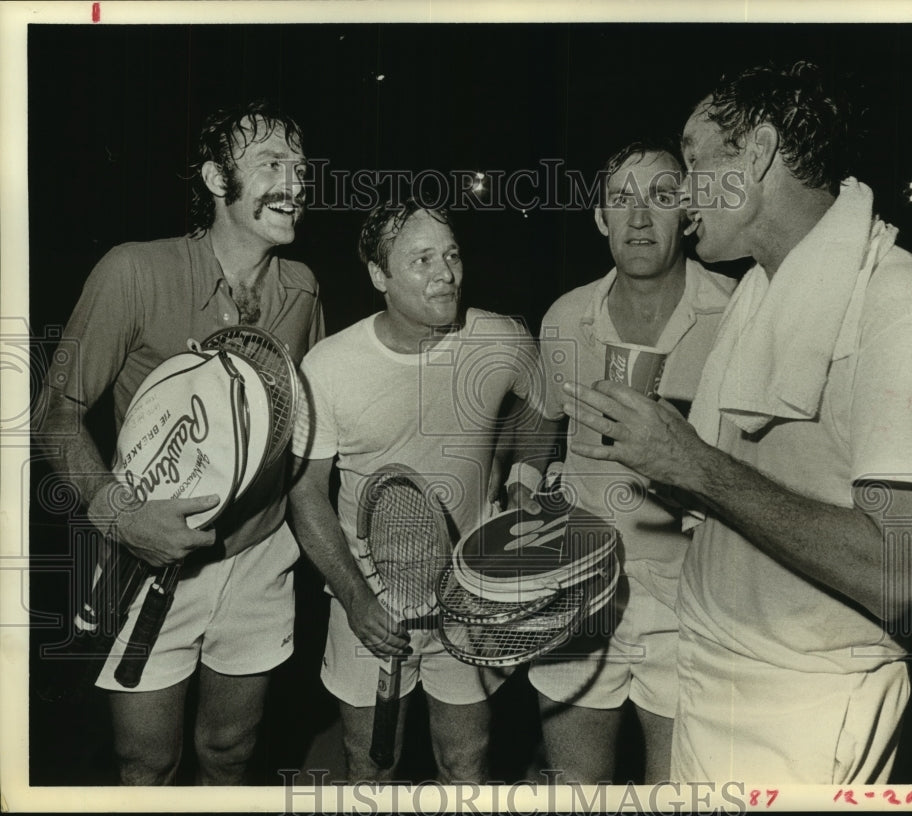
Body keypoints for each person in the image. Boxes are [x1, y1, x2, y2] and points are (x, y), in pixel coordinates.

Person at [563, 61, 912, 783]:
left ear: (755, 154)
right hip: (712, 673)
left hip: (804, 708)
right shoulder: (760, 290)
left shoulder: (903, 309)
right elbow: (753, 491)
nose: (682, 192)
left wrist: (692, 463)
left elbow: (897, 573)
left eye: (692, 159)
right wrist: (665, 465)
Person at [39, 100, 324, 784]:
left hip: (259, 556)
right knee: (147, 762)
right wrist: (123, 517)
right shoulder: (133, 272)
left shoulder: (303, 289)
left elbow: (306, 434)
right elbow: (55, 413)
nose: (297, 181)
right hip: (147, 561)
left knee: (230, 753)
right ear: (215, 180)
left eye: (300, 165)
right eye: (271, 165)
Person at [288, 199, 543, 782]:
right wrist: (355, 597)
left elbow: (542, 406)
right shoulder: (328, 369)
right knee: (371, 764)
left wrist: (520, 477)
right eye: (421, 259)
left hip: (469, 598)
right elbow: (306, 494)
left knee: (466, 760)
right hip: (372, 603)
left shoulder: (500, 339)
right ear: (380, 276)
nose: (446, 273)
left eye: (451, 255)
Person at [505, 141, 736, 782]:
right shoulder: (565, 317)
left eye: (661, 197)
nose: (639, 217)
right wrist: (524, 481)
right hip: (578, 591)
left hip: (693, 603)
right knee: (578, 788)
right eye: (621, 199)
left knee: (679, 790)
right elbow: (541, 413)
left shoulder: (741, 313)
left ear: (689, 212)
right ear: (600, 218)